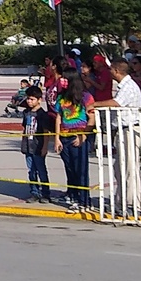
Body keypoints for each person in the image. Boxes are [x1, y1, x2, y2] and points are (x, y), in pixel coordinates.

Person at [93, 57, 141, 214]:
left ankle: (133, 204)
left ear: (116, 71)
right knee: (119, 168)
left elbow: (117, 103)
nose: (109, 72)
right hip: (122, 130)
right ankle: (121, 201)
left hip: (130, 130)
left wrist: (95, 104)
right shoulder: (124, 86)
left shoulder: (129, 86)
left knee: (130, 168)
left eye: (110, 70)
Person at [54, 71, 94, 209]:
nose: (62, 81)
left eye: (65, 78)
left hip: (78, 137)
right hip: (64, 138)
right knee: (70, 169)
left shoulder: (86, 97)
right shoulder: (61, 98)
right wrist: (57, 138)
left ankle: (84, 201)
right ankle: (74, 197)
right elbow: (58, 117)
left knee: (80, 170)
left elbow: (92, 118)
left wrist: (83, 136)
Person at [20, 85, 54, 202]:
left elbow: (46, 132)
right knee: (31, 170)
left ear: (39, 100)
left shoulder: (42, 115)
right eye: (28, 99)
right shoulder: (26, 113)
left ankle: (45, 193)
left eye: (32, 99)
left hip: (38, 146)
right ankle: (34, 192)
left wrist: (45, 147)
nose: (29, 101)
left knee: (41, 170)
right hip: (28, 146)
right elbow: (24, 128)